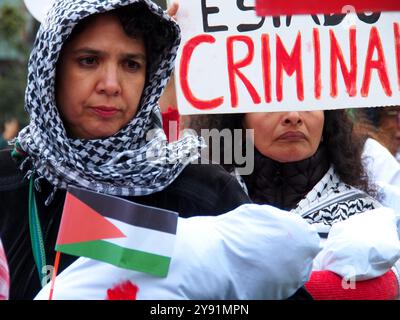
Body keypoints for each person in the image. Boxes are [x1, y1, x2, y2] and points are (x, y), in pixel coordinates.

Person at [0, 0, 319, 300]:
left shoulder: (202, 190)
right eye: (89, 60)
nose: (111, 84)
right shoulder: (8, 182)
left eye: (131, 64)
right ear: (50, 68)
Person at [191, 110, 400, 299]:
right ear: (239, 117)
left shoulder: (377, 209)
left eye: (308, 99)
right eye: (269, 102)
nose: (293, 116)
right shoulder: (196, 207)